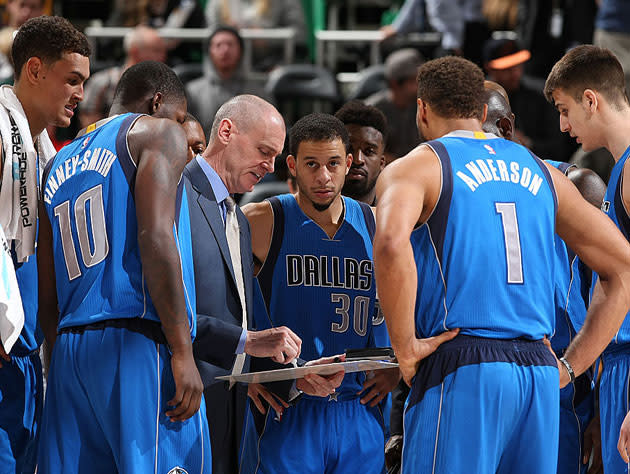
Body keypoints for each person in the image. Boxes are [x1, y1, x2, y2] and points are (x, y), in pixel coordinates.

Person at [374, 55, 630, 474]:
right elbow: (624, 268)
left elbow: (388, 242)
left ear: (422, 110)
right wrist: (571, 366)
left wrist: (405, 346)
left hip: (461, 363)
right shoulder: (545, 172)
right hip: (538, 373)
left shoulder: (419, 165)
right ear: (480, 113)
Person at [37, 61, 211, 473]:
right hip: (136, 341)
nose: (183, 133)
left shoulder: (57, 163)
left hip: (69, 350)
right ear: (157, 103)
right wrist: (183, 350)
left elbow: (47, 289)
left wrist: (56, 363)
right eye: (181, 117)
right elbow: (156, 238)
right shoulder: (156, 132)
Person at [238, 112, 411, 473]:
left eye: (333, 164)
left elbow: (413, 303)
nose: (323, 177)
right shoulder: (261, 220)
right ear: (292, 166)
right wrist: (246, 368)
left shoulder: (378, 225)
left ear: (348, 164)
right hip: (289, 406)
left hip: (359, 408)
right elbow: (216, 298)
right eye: (311, 164)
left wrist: (398, 364)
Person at [485, 82, 605, 474]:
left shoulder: (577, 186)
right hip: (480, 384)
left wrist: (603, 411)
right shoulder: (448, 187)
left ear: (505, 127)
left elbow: (613, 294)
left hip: (558, 391)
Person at [184, 94, 304, 474]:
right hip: (184, 403)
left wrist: (301, 378)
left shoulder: (238, 218)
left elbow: (246, 325)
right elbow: (169, 308)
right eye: (264, 151)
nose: (270, 167)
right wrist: (248, 341)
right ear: (226, 131)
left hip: (232, 410)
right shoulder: (175, 194)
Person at [0, 16, 90, 474]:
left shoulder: (44, 147)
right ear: (34, 70)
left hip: (27, 353)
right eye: (71, 80)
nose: (80, 94)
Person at [544, 44, 630, 474]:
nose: (563, 126)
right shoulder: (620, 170)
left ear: (591, 101)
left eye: (565, 110)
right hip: (615, 369)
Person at [483, 37, 576, 162]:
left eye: (518, 65)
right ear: (490, 68)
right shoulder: (480, 98)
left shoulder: (541, 95)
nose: (515, 73)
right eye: (507, 68)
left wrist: (527, 144)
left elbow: (559, 147)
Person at [79, 25, 167, 129]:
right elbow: (89, 127)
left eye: (163, 51)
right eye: (156, 50)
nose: (163, 56)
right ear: (135, 51)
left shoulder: (165, 86)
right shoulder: (103, 82)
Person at [185, 26, 263, 134]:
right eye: (218, 45)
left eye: (230, 45)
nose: (225, 50)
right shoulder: (193, 92)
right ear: (209, 51)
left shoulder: (257, 93)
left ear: (241, 51)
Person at [365, 48, 423, 164]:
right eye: (413, 81)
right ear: (395, 83)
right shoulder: (373, 110)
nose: (419, 86)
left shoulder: (424, 106)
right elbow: (367, 151)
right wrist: (402, 165)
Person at [335, 100, 387, 206]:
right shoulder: (308, 215)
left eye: (369, 151)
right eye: (348, 149)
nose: (357, 159)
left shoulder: (396, 216)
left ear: (381, 163)